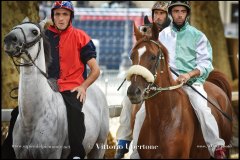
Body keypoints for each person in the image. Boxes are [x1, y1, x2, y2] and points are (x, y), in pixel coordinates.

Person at [159, 1, 226, 159]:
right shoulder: (162, 35)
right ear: (171, 13)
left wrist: (188, 75)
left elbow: (206, 63)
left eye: (183, 11)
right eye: (176, 11)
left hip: (190, 83)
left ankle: (216, 147)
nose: (180, 14)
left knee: (202, 109)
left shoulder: (198, 36)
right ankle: (135, 151)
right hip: (166, 85)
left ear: (188, 13)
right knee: (142, 111)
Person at [43, 1, 100, 159]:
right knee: (18, 112)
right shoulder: (44, 36)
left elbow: (96, 71)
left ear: (71, 17)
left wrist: (83, 87)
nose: (61, 18)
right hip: (47, 87)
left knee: (74, 113)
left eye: (65, 14)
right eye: (57, 14)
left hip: (72, 88)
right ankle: (8, 150)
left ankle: (76, 154)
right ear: (52, 17)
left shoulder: (81, 37)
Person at [114, 1, 171, 159]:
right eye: (156, 14)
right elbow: (139, 54)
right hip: (146, 78)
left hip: (167, 77)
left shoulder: (172, 33)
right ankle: (124, 141)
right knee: (127, 99)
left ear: (167, 16)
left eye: (162, 14)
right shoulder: (145, 29)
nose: (158, 17)